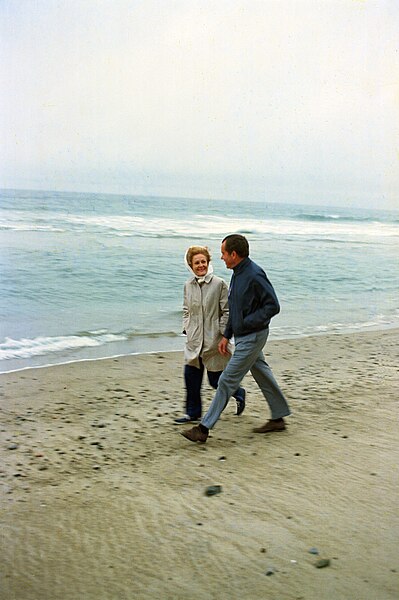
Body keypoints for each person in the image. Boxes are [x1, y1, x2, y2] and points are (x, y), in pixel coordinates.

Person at [181, 234, 290, 442]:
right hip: (243, 336)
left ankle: (203, 429)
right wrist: (227, 335)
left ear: (234, 254)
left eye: (223, 253)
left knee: (226, 380)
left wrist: (247, 323)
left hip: (253, 336)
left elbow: (273, 306)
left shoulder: (255, 274)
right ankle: (279, 417)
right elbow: (234, 308)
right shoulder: (237, 274)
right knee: (263, 374)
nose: (221, 258)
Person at [175, 245, 246, 424]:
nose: (201, 266)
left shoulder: (219, 284)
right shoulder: (187, 285)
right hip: (194, 341)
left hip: (214, 342)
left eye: (203, 262)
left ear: (208, 262)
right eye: (196, 263)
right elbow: (186, 310)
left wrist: (222, 335)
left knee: (216, 381)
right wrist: (187, 328)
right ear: (190, 265)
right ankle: (192, 413)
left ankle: (238, 392)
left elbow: (228, 311)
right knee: (191, 378)